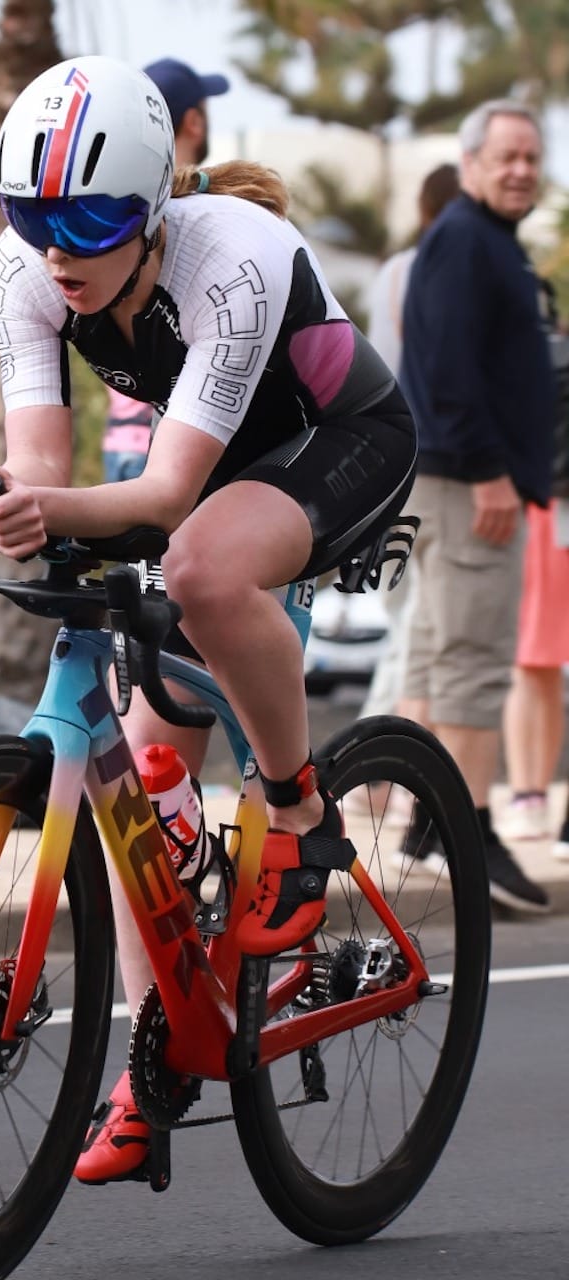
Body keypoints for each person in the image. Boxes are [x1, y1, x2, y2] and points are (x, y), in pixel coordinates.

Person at [0, 56, 417, 1184]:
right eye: (31, 215)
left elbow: (167, 493)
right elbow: (44, 472)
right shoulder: (27, 271)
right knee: (134, 779)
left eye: (88, 221)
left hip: (337, 441)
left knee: (200, 567)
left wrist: (44, 508)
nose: (57, 250)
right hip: (206, 470)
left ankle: (296, 814)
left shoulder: (230, 257)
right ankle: (157, 1062)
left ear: (148, 210)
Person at [396, 99, 554, 914]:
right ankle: (467, 829)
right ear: (471, 165)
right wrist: (492, 471)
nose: (521, 169)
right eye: (506, 157)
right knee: (473, 660)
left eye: (532, 156)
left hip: (458, 480)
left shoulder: (485, 238)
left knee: (437, 652)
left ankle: (431, 824)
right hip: (468, 485)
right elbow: (446, 369)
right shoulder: (465, 238)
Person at [357, 163, 461, 723]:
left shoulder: (394, 271)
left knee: (403, 613)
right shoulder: (450, 273)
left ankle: (387, 746)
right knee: (421, 622)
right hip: (436, 461)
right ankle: (380, 744)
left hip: (384, 458)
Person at [101, 58, 229, 485]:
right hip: (185, 446)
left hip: (122, 441)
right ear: (193, 122)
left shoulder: (115, 212)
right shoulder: (211, 221)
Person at [500, 314, 569, 857]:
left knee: (534, 663)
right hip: (548, 512)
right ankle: (528, 796)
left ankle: (534, 800)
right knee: (532, 660)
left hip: (546, 510)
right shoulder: (543, 355)